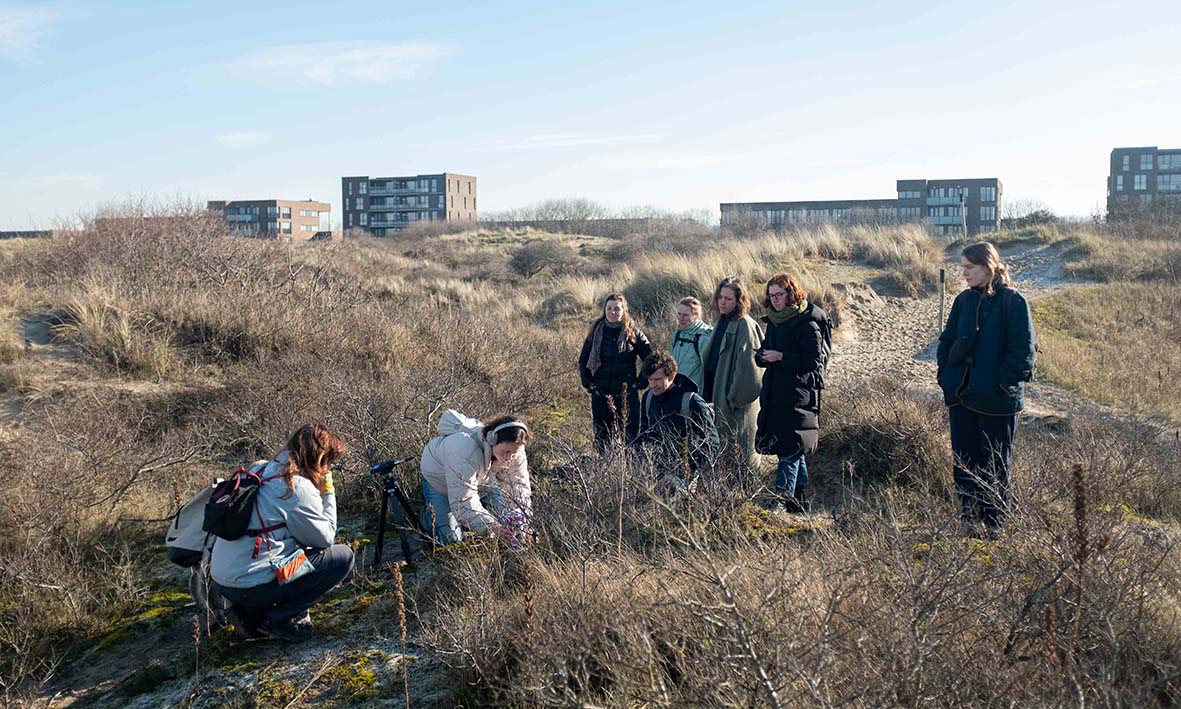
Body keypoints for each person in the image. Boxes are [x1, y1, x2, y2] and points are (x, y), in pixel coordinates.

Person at [211, 424, 354, 643]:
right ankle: (279, 618)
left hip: (223, 581)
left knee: (288, 548)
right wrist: (327, 491)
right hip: (252, 584)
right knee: (341, 557)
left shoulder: (259, 468)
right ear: (319, 459)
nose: (328, 468)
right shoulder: (294, 486)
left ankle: (249, 615)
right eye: (329, 462)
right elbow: (325, 538)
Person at [937, 242, 1036, 538]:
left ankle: (995, 525)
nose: (964, 273)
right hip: (961, 396)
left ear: (988, 266)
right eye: (962, 267)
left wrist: (1001, 384)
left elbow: (1024, 353)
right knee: (964, 462)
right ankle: (968, 520)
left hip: (997, 401)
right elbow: (946, 341)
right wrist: (946, 377)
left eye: (970, 267)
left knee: (995, 464)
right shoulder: (963, 301)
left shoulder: (1013, 301)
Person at [754, 273, 830, 513]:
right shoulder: (774, 321)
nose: (774, 299)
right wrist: (762, 356)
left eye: (779, 294)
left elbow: (813, 361)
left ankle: (781, 498)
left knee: (791, 446)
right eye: (771, 295)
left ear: (791, 294)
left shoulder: (807, 323)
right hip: (775, 393)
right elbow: (765, 350)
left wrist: (781, 357)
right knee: (791, 447)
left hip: (799, 395)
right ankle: (799, 500)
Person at [419, 410, 533, 546]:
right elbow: (463, 502)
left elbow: (519, 488)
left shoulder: (516, 450)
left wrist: (523, 523)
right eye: (506, 451)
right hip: (438, 480)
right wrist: (493, 527)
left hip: (481, 481)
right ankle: (430, 515)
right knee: (450, 539)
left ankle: (469, 522)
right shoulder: (463, 449)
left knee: (507, 522)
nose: (509, 457)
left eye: (514, 453)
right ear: (492, 440)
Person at [701, 276, 763, 467]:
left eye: (728, 299)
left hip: (732, 401)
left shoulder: (745, 324)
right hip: (714, 392)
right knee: (717, 447)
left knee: (738, 450)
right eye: (720, 297)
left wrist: (735, 397)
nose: (722, 302)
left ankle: (743, 484)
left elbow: (750, 367)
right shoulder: (722, 321)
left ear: (739, 301)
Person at [578, 293, 653, 451]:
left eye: (617, 309)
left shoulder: (634, 332)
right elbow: (583, 360)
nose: (612, 312)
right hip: (601, 394)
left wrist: (639, 383)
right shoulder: (596, 332)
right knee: (602, 441)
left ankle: (630, 466)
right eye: (609, 308)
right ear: (604, 310)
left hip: (627, 395)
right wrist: (589, 384)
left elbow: (650, 359)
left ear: (624, 310)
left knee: (631, 441)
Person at [635, 352, 720, 488]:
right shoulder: (648, 398)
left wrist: (689, 468)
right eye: (650, 380)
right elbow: (645, 434)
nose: (652, 385)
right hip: (656, 468)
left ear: (671, 376)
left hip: (686, 471)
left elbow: (713, 442)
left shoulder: (691, 401)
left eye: (657, 379)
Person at [668, 297, 714, 390]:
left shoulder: (704, 338)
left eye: (686, 315)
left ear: (696, 316)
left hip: (695, 390)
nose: (681, 318)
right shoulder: (677, 334)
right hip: (675, 387)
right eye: (679, 314)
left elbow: (710, 371)